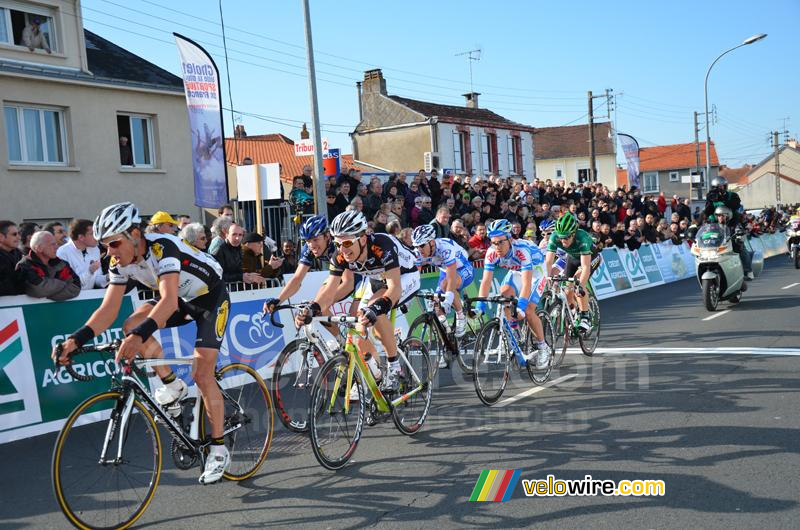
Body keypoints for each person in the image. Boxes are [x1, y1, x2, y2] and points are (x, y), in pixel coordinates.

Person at [51, 203, 232, 483]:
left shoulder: (163, 248)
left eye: (114, 243)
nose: (109, 252)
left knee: (202, 373)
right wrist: (76, 339)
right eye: (104, 245)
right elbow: (109, 309)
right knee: (130, 325)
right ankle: (172, 385)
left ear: (135, 234)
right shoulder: (118, 262)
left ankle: (219, 449)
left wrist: (138, 338)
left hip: (211, 298)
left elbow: (168, 301)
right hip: (180, 301)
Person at [295, 211, 420, 392]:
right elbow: (329, 292)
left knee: (376, 312)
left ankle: (394, 367)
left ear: (362, 239)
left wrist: (378, 307)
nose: (343, 249)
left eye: (347, 243)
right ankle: (374, 372)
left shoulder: (381, 245)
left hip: (404, 276)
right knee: (360, 327)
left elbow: (394, 288)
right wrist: (312, 309)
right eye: (338, 243)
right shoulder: (339, 256)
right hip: (378, 279)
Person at [474, 219, 551, 369]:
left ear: (510, 239)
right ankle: (514, 330)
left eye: (500, 242)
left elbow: (527, 283)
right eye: (493, 242)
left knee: (528, 310)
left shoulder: (521, 250)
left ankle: (543, 348)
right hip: (516, 271)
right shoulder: (491, 253)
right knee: (504, 295)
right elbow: (486, 281)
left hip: (536, 271)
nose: (497, 247)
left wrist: (521, 306)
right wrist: (479, 305)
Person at [263, 216, 360, 329]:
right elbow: (297, 279)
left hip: (360, 276)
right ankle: (338, 343)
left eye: (315, 239)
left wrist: (318, 305)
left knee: (353, 316)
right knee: (319, 308)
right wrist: (278, 300)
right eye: (308, 241)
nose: (312, 245)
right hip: (340, 275)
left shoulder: (338, 247)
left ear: (327, 236)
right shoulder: (309, 249)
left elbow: (348, 284)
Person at [411, 225, 474, 340]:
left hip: (463, 268)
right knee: (436, 302)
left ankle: (461, 315)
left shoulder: (444, 248)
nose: (419, 249)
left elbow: (451, 276)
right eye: (416, 246)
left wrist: (449, 297)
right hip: (445, 271)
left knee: (446, 287)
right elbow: (415, 276)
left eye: (421, 245)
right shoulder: (418, 253)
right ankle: (447, 334)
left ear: (432, 243)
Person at [544, 212, 601, 332]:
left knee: (577, 283)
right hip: (573, 258)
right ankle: (574, 313)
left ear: (574, 234)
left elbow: (585, 267)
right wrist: (545, 280)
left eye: (566, 237)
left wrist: (580, 285)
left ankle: (585, 317)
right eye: (561, 237)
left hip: (590, 258)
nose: (563, 240)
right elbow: (548, 263)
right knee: (566, 289)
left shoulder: (582, 237)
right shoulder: (554, 237)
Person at [17, 231, 81, 300]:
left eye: (56, 244)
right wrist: (63, 284)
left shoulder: (61, 263)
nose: (57, 247)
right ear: (39, 248)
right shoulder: (25, 265)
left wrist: (49, 296)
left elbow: (76, 287)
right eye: (52, 244)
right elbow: (38, 289)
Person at [56, 219, 107, 290]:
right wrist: (90, 271)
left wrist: (108, 277)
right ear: (81, 237)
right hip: (72, 299)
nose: (97, 236)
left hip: (90, 297)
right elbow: (71, 284)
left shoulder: (95, 249)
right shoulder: (62, 253)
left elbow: (96, 279)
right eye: (92, 233)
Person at [0, 221, 24, 296]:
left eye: (19, 234)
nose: (19, 238)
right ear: (1, 237)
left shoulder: (18, 253)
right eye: (14, 234)